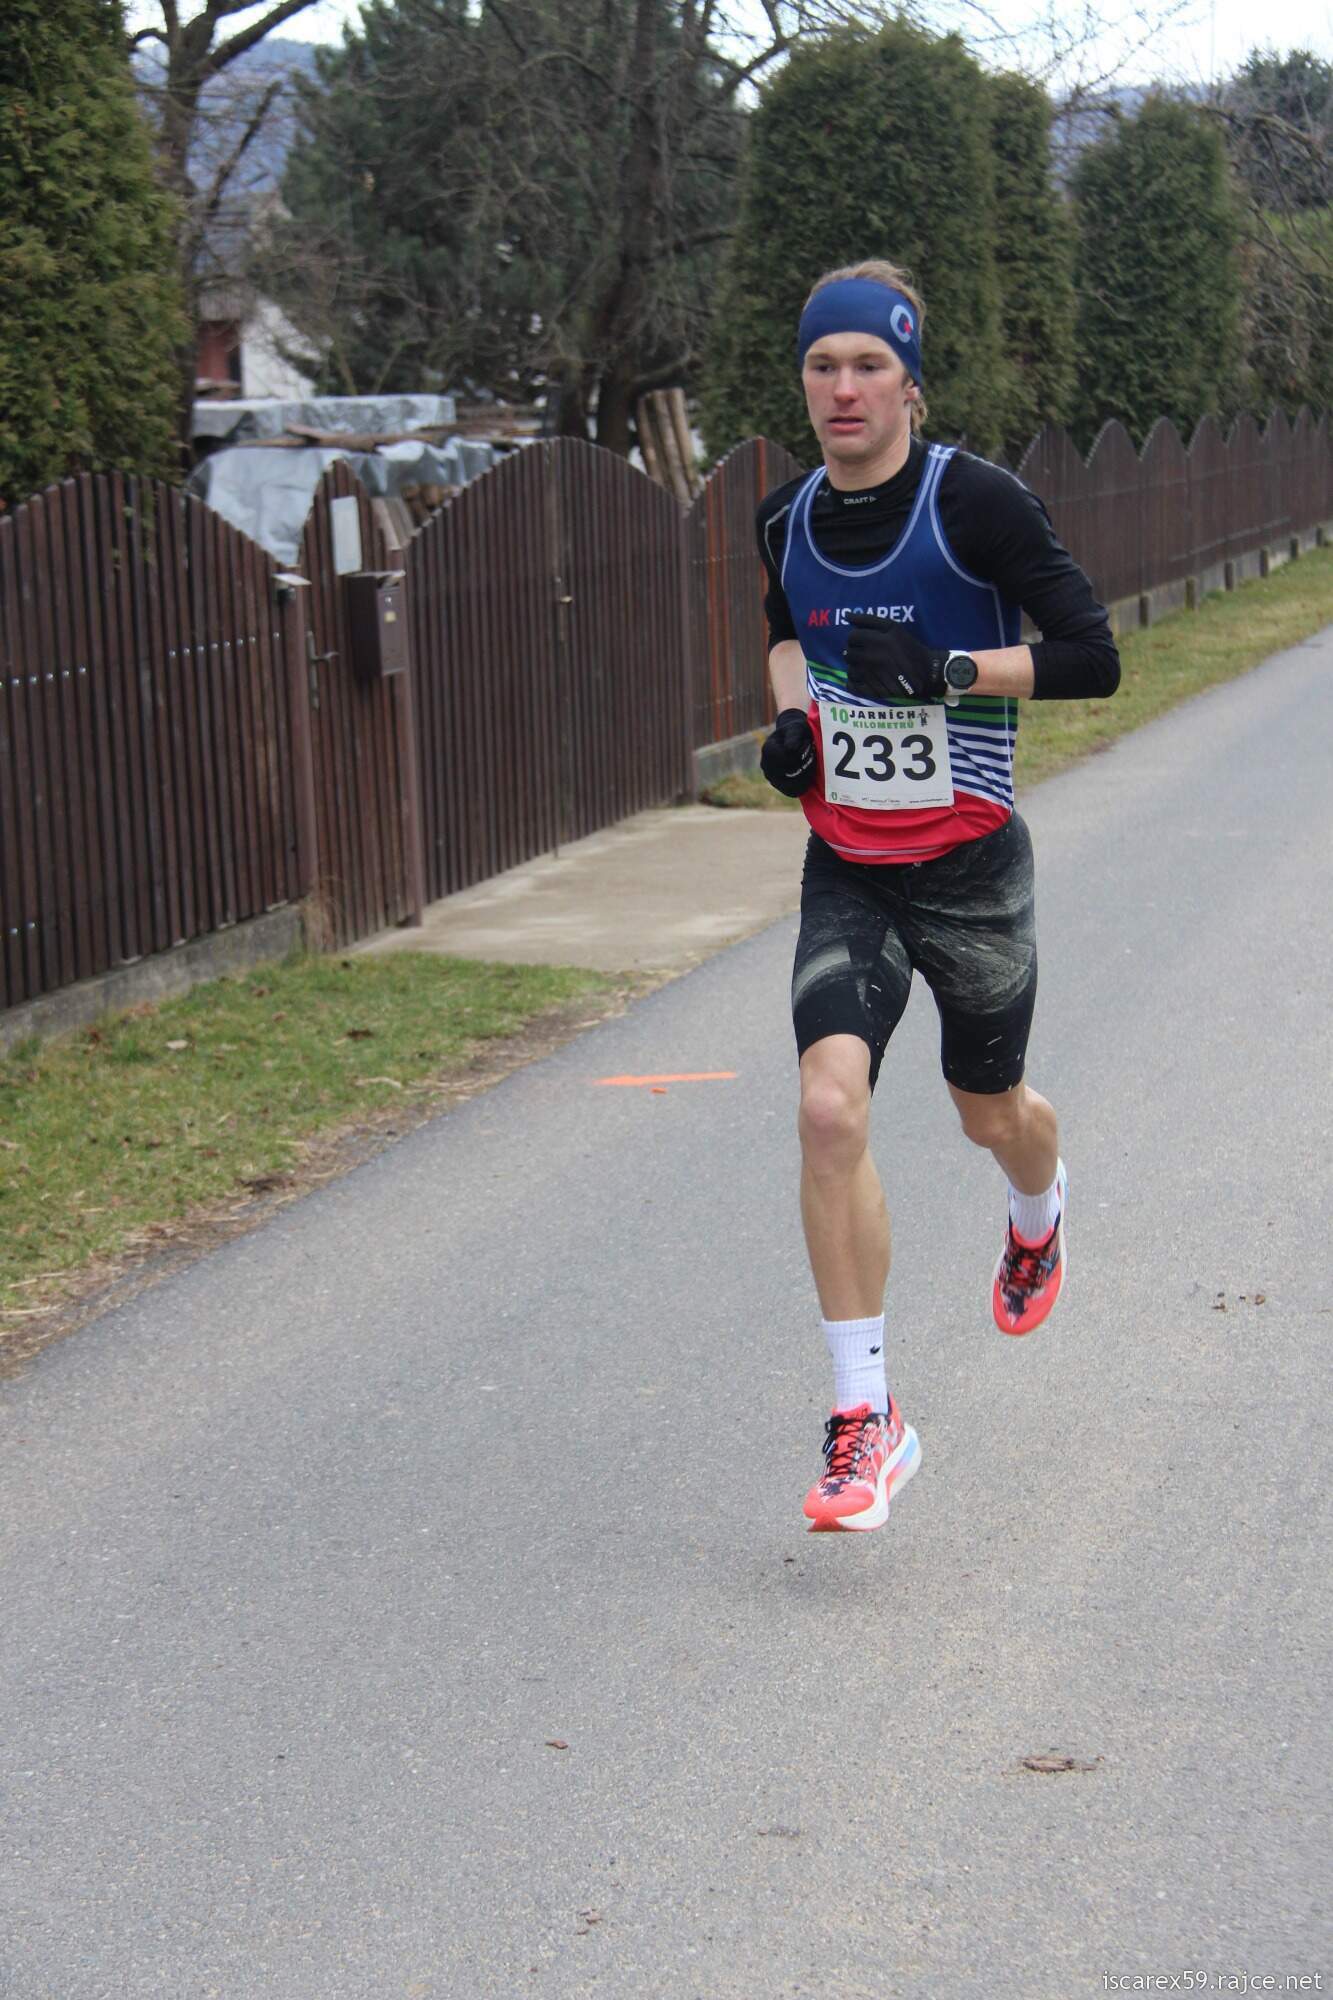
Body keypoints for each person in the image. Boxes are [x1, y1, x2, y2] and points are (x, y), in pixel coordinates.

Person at [756, 259, 1120, 1534]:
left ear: (910, 382)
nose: (843, 388)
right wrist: (792, 724)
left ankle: (1038, 1205)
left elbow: (1093, 655)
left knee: (988, 1111)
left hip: (968, 867)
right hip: (849, 865)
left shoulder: (976, 502)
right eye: (822, 365)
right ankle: (866, 1416)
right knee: (826, 1106)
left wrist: (949, 668)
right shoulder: (785, 515)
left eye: (869, 364)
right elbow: (785, 628)